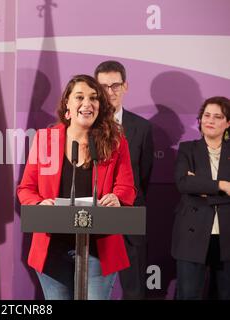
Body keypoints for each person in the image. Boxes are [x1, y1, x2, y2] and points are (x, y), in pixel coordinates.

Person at [17, 74, 136, 300]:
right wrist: (39, 203)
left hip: (99, 245)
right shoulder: (46, 140)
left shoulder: (116, 143)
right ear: (68, 106)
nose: (87, 103)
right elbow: (26, 189)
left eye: (94, 98)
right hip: (52, 246)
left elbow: (127, 186)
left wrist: (117, 198)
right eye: (79, 97)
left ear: (100, 107)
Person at [95, 60, 154, 300]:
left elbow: (144, 176)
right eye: (104, 87)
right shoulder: (87, 126)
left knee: (134, 289)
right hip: (94, 215)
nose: (110, 92)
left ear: (125, 86)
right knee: (93, 287)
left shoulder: (142, 127)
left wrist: (125, 199)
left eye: (115, 85)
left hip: (130, 215)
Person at [172, 96, 230, 300]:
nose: (210, 121)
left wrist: (201, 186)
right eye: (206, 115)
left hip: (226, 235)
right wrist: (222, 186)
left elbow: (193, 185)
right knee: (188, 295)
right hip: (192, 234)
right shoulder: (188, 149)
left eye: (217, 116)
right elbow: (184, 183)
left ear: (227, 123)